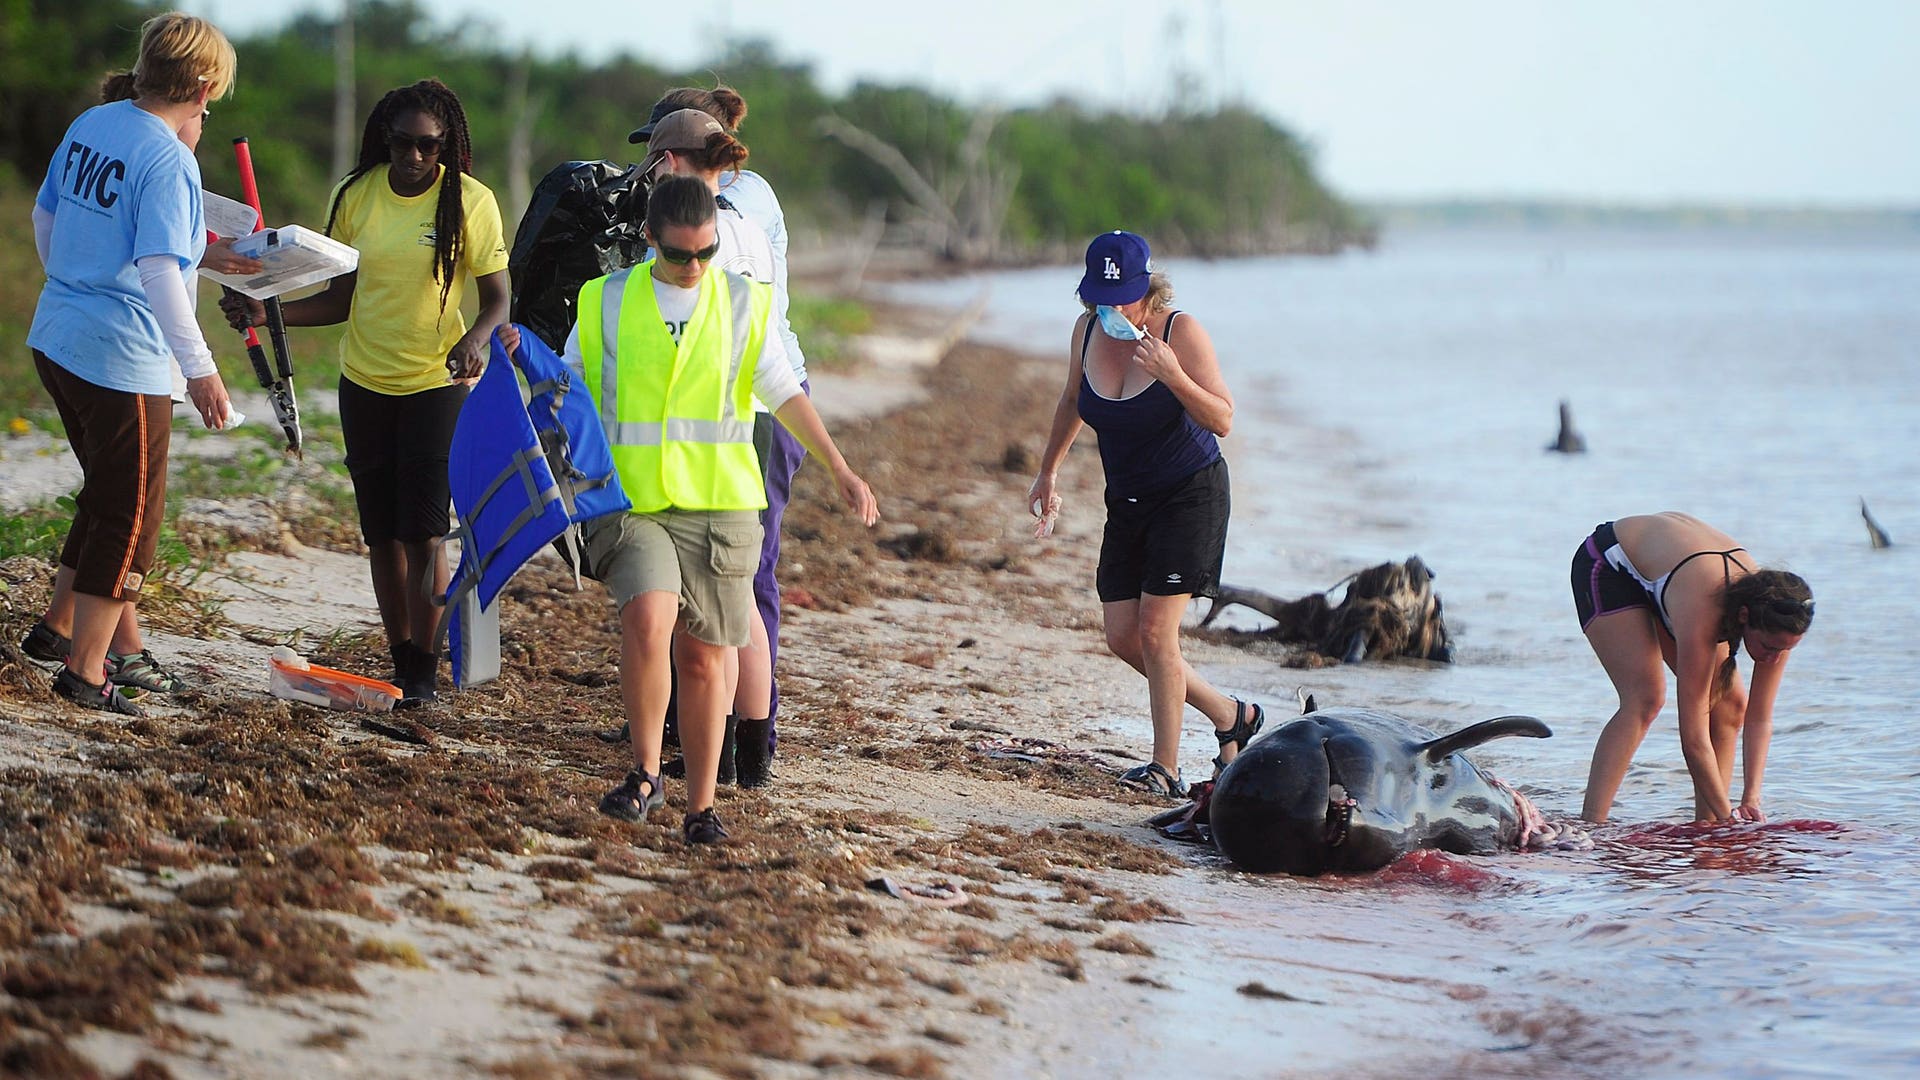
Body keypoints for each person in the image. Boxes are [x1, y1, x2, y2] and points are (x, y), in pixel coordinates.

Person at [516, 175, 876, 845]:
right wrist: (525, 363)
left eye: (706, 253)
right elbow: (567, 386)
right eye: (680, 254)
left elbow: (782, 391)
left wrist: (840, 467)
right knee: (649, 616)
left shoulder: (744, 303)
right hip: (632, 502)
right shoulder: (604, 301)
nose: (693, 267)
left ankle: (701, 808)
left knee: (708, 659)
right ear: (649, 239)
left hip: (721, 504)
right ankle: (646, 774)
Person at [221, 79, 509, 704]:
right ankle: (400, 653)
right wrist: (264, 311)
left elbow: (497, 300)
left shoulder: (471, 202)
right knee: (381, 533)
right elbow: (336, 296)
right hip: (364, 382)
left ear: (447, 147)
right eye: (401, 143)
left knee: (424, 533)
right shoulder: (355, 194)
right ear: (385, 138)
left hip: (437, 383)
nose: (412, 157)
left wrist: (477, 341)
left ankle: (424, 671)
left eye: (427, 147)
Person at [20, 61, 264, 700]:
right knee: (131, 518)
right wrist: (202, 370)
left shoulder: (94, 123)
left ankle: (57, 630)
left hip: (60, 336)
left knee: (107, 495)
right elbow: (158, 270)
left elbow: (48, 218)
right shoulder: (169, 159)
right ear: (204, 91)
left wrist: (76, 283)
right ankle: (88, 670)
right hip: (120, 357)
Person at [1027, 231, 1264, 798]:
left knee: (1158, 633)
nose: (1113, 310)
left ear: (1148, 289)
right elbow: (1070, 401)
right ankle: (1231, 715)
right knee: (1121, 635)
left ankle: (1165, 768)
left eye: (1123, 298)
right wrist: (1048, 471)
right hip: (1128, 499)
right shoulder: (1086, 331)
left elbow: (1224, 420)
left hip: (1190, 494)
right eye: (1101, 299)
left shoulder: (1181, 331)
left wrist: (1173, 375)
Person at [630, 87, 809, 786]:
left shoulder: (714, 230)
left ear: (671, 161)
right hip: (758, 409)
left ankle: (745, 749)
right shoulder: (744, 220)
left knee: (734, 589)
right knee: (736, 587)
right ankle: (742, 748)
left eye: (652, 169)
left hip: (744, 417)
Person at [1572, 512, 1814, 824]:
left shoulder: (1781, 617)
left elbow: (1759, 718)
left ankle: (1707, 827)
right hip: (1608, 564)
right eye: (1769, 648)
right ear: (1743, 617)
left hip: (1674, 575)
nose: (1773, 659)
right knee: (1645, 698)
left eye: (1785, 650)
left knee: (1730, 705)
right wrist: (1730, 817)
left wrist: (1751, 798)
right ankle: (1592, 825)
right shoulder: (1706, 613)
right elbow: (1693, 738)